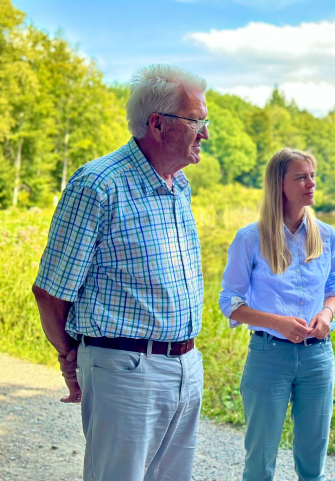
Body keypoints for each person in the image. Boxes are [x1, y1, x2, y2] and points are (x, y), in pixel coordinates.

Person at [32, 64, 209, 481]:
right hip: (125, 369)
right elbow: (51, 292)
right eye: (197, 121)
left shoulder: (178, 185)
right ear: (158, 124)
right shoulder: (97, 184)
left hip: (185, 364)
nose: (205, 133)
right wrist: (70, 357)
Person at [219, 148, 335, 481]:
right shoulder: (250, 238)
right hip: (268, 357)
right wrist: (278, 323)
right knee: (260, 462)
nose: (311, 183)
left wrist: (326, 316)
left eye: (313, 175)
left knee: (312, 462)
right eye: (301, 177)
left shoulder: (328, 236)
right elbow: (230, 302)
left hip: (318, 359)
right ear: (280, 185)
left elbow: (334, 289)